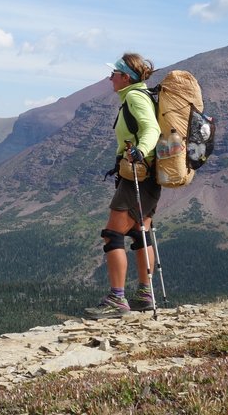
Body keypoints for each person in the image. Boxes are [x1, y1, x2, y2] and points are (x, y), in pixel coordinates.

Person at [84, 53, 160, 319]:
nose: (110, 78)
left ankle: (117, 299)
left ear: (125, 77)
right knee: (141, 233)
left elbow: (151, 129)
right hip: (147, 176)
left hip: (138, 176)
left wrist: (140, 150)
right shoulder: (140, 95)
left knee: (112, 235)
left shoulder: (136, 97)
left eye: (114, 74)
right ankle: (145, 294)